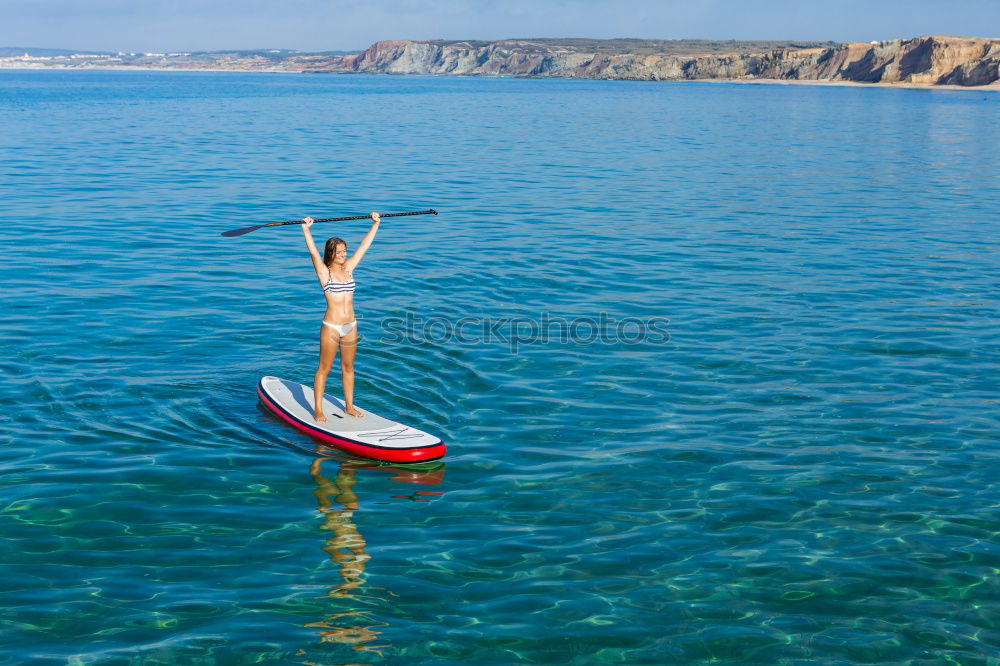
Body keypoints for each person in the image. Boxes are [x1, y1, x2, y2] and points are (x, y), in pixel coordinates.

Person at [301, 212, 380, 421]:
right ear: (330, 253)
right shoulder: (324, 273)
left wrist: (375, 224)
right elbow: (313, 254)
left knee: (349, 367)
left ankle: (349, 406)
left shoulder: (348, 269)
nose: (344, 255)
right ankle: (318, 409)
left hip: (351, 325)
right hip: (332, 326)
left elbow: (364, 248)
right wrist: (306, 231)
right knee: (324, 369)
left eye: (345, 251)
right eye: (339, 252)